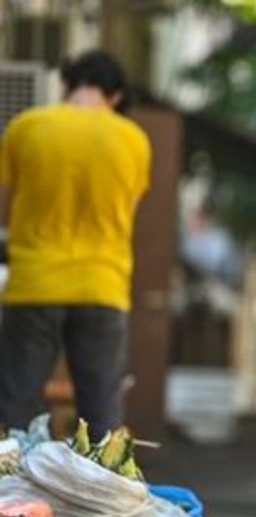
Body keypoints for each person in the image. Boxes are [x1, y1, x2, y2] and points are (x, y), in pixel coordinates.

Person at [0, 50, 152, 440]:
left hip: (34, 282)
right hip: (103, 284)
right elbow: (127, 214)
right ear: (115, 96)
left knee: (18, 404)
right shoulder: (134, 140)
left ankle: (12, 497)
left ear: (66, 85)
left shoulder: (27, 127)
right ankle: (98, 496)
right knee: (101, 411)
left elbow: (7, 202)